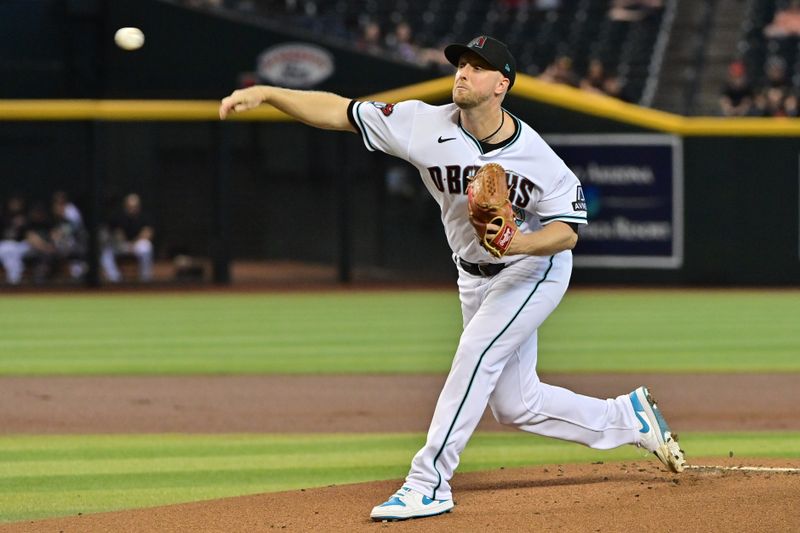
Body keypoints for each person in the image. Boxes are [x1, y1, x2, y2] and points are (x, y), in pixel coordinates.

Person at [219, 35, 686, 522]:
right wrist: (270, 94)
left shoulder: (538, 158)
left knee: (474, 354)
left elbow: (567, 234)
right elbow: (340, 111)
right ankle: (627, 418)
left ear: (501, 84)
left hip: (532, 269)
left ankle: (428, 482)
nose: (463, 72)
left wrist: (519, 244)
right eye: (461, 63)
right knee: (516, 405)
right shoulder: (422, 123)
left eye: (478, 67)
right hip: (472, 275)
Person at [100, 193, 155, 282]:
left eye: (134, 207)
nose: (132, 209)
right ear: (125, 206)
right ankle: (115, 279)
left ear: (138, 207)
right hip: (122, 245)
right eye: (129, 206)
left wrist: (133, 244)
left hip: (137, 244)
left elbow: (147, 233)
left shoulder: (144, 217)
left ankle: (145, 279)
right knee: (106, 252)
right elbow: (115, 233)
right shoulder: (118, 217)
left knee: (147, 246)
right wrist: (123, 242)